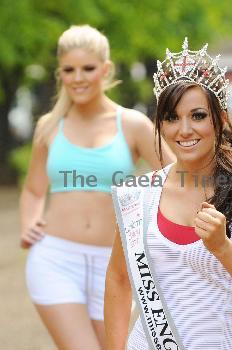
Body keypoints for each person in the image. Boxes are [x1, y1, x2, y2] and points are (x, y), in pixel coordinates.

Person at [104, 37, 232, 350]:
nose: (184, 130)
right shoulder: (138, 195)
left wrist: (223, 247)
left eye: (198, 115)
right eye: (172, 117)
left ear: (220, 119)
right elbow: (118, 280)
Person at [20, 25, 174, 350]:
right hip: (55, 259)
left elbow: (175, 177)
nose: (78, 77)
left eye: (88, 68)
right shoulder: (48, 127)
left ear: (105, 70)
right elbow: (34, 190)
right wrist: (29, 221)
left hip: (114, 264)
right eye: (69, 69)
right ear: (60, 73)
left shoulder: (132, 124)